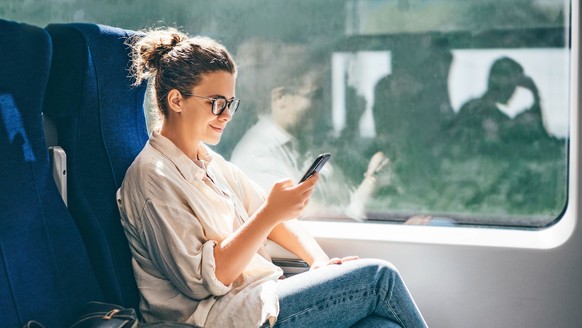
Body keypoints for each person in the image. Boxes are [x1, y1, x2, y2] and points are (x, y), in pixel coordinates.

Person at [117, 27, 427, 328]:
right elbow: (205, 281)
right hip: (218, 318)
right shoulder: (152, 178)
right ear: (176, 101)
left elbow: (275, 219)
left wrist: (318, 262)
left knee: (382, 325)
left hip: (261, 299)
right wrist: (269, 214)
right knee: (378, 278)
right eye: (217, 103)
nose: (226, 114)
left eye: (231, 103)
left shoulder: (211, 164)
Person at [230, 40, 389, 220]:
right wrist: (371, 183)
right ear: (280, 97)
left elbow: (343, 201)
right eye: (315, 95)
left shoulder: (305, 144)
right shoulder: (256, 157)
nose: (322, 106)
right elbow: (317, 220)